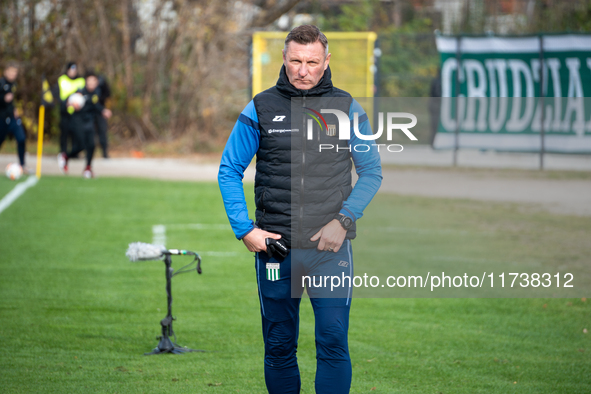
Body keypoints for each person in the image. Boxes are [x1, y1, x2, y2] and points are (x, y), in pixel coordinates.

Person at [218, 25, 382, 394]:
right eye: (295, 60)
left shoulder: (346, 107)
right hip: (277, 250)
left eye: (311, 61)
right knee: (278, 346)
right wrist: (245, 229)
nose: (302, 70)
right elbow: (229, 169)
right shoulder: (260, 107)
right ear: (284, 59)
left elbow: (372, 171)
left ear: (326, 62)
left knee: (333, 341)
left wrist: (343, 220)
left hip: (330, 252)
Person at [58, 70, 112, 178]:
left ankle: (88, 168)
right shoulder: (80, 91)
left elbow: (96, 106)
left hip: (89, 121)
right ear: (86, 82)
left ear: (96, 82)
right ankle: (66, 156)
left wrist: (103, 111)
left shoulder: (96, 93)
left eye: (94, 81)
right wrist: (71, 103)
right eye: (89, 81)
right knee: (81, 146)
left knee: (92, 145)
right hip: (78, 121)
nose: (91, 83)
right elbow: (68, 101)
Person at [55, 62, 85, 170]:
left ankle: (74, 153)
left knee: (76, 134)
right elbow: (57, 94)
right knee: (64, 134)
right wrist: (65, 103)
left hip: (77, 113)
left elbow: (82, 94)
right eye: (71, 69)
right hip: (65, 111)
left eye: (75, 69)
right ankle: (63, 153)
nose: (73, 72)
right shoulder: (62, 79)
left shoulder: (81, 81)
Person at [0, 62, 27, 171]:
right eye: (11, 72)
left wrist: (14, 109)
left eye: (15, 72)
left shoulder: (14, 85)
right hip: (1, 118)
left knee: (21, 138)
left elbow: (11, 101)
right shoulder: (1, 83)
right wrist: (3, 99)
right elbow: (4, 99)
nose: (13, 74)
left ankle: (22, 165)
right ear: (6, 71)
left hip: (12, 118)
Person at [95, 74, 111, 158]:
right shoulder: (87, 89)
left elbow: (108, 94)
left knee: (102, 133)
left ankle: (104, 153)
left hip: (101, 112)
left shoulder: (103, 86)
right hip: (90, 113)